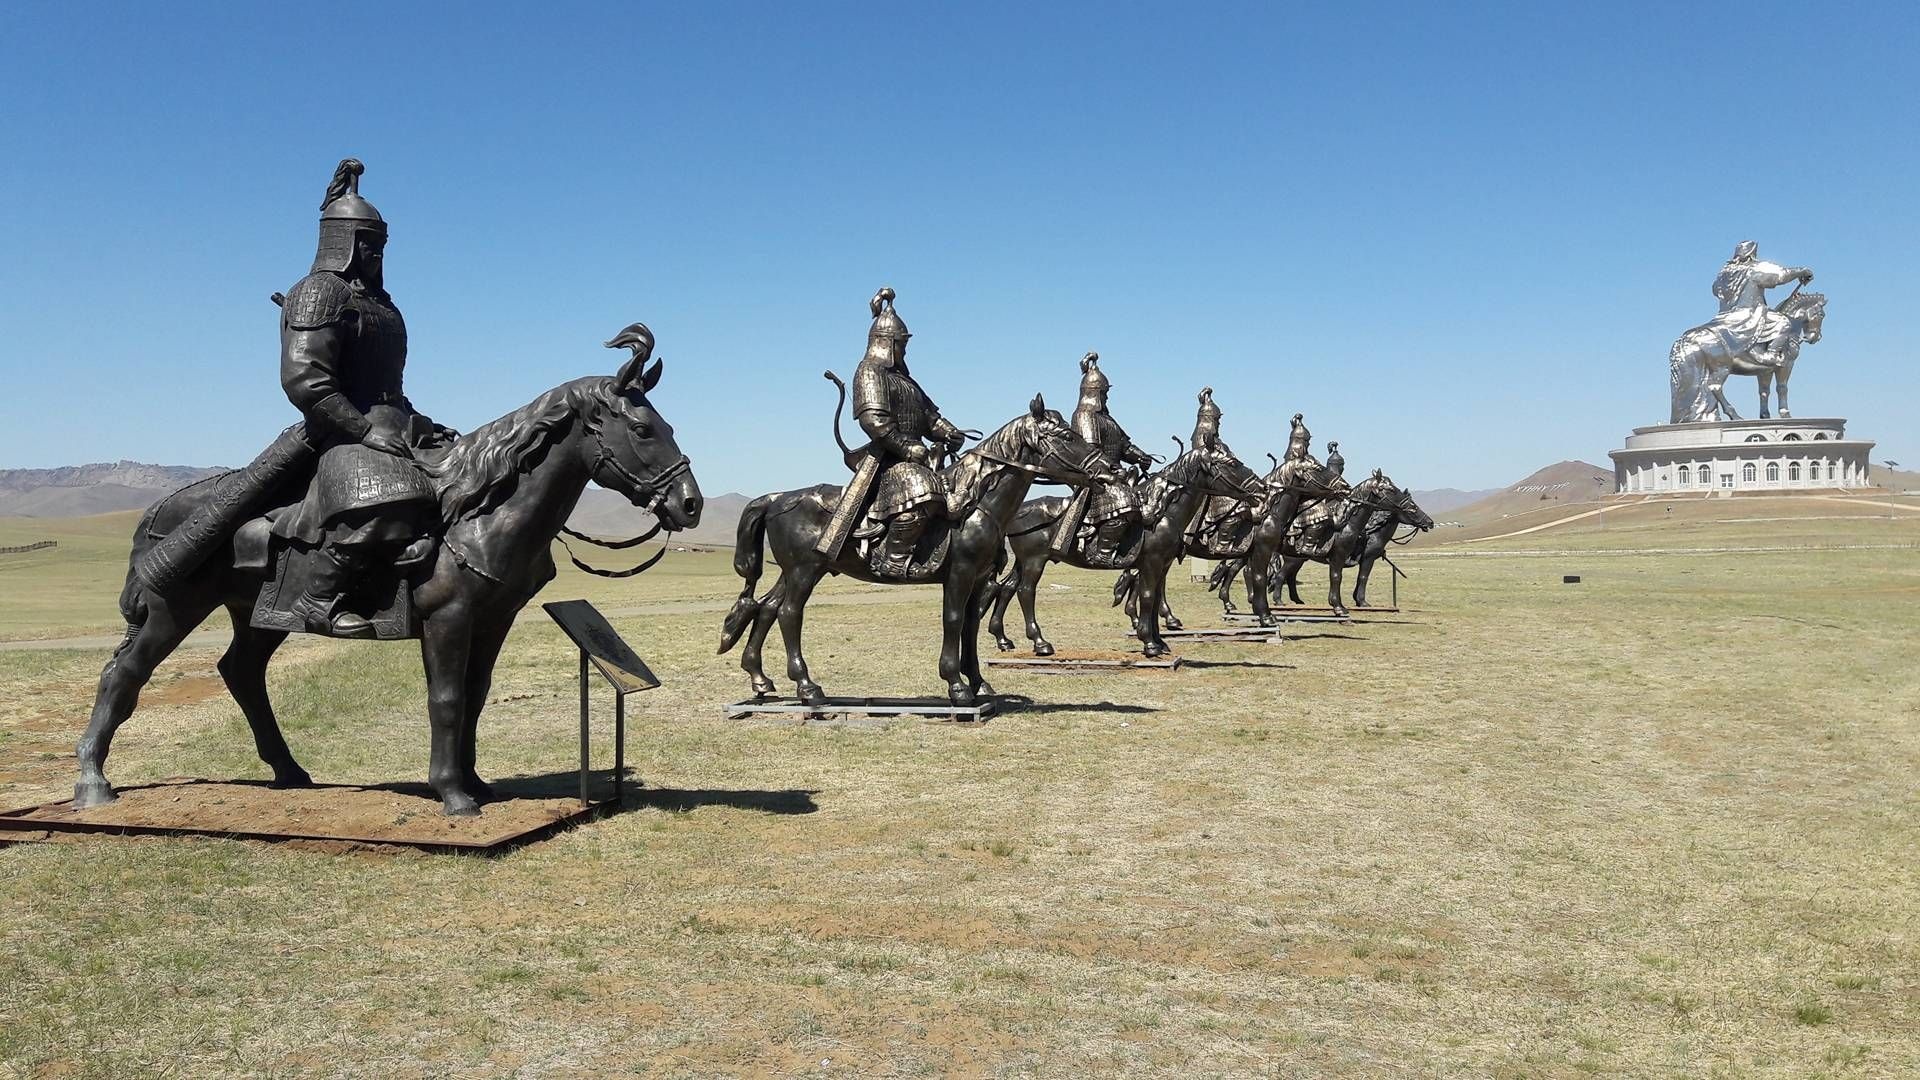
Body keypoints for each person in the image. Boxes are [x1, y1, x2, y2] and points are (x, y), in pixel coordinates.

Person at [849, 288, 966, 575]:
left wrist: (948, 431)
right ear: (886, 343)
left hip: (921, 456)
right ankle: (895, 558)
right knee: (922, 491)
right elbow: (874, 421)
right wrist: (907, 447)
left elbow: (929, 418)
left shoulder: (906, 381)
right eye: (901, 344)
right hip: (889, 458)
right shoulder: (869, 372)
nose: (904, 350)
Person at [1070, 353, 1154, 562]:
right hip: (1095, 477)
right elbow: (1091, 453)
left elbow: (1123, 446)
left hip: (1115, 475)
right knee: (1125, 502)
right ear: (1094, 393)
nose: (1107, 397)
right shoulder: (1084, 415)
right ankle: (1102, 552)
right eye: (1104, 393)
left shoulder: (1107, 419)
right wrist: (1116, 470)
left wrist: (1140, 456)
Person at [1705, 240, 1813, 366]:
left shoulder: (1724, 272)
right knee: (1783, 323)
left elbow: (1715, 290)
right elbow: (1781, 276)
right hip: (1750, 314)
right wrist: (1802, 271)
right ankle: (1770, 355)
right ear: (1752, 253)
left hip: (1724, 317)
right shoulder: (1754, 269)